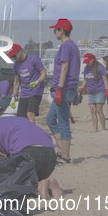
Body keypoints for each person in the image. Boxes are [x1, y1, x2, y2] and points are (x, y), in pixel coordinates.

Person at [0, 114, 63, 200]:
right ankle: (49, 184)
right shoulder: (17, 120)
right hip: (50, 157)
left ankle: (38, 187)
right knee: (26, 176)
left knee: (10, 183)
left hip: (29, 154)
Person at [46, 18, 80, 165]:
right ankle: (62, 151)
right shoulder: (73, 46)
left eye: (56, 30)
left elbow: (65, 67)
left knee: (63, 121)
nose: (55, 32)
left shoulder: (66, 46)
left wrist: (59, 89)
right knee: (50, 119)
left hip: (65, 89)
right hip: (67, 88)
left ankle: (65, 157)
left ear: (62, 31)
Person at [8, 43, 47, 123]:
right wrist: (13, 97)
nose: (14, 58)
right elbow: (16, 81)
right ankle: (25, 134)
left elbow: (43, 73)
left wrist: (37, 82)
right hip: (24, 93)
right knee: (20, 118)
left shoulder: (33, 59)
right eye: (12, 57)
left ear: (20, 51)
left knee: (30, 114)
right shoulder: (16, 65)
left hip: (36, 91)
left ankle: (32, 134)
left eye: (14, 56)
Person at [79, 53, 108, 132]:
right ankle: (95, 129)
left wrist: (107, 90)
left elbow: (105, 79)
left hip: (100, 91)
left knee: (99, 110)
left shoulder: (100, 68)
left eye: (88, 61)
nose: (87, 63)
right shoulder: (86, 69)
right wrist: (82, 88)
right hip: (91, 92)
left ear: (92, 60)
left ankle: (103, 128)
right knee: (92, 111)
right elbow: (85, 80)